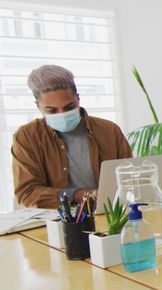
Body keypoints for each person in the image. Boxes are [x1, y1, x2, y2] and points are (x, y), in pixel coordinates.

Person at [12, 65, 132, 209]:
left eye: (69, 107)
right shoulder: (27, 137)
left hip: (109, 212)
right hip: (56, 220)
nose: (62, 114)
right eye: (52, 110)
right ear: (38, 106)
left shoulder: (109, 130)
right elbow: (27, 193)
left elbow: (129, 176)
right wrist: (78, 195)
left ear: (78, 98)